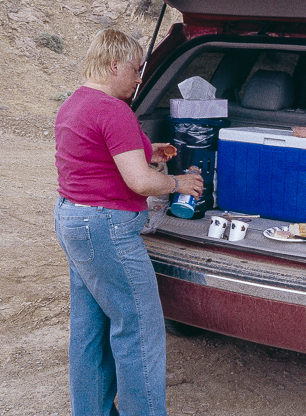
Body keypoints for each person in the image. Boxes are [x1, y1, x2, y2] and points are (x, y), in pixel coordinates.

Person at [53, 28, 203, 416]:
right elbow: (140, 181)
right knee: (139, 330)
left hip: (74, 219)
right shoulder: (113, 109)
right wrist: (177, 182)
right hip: (106, 228)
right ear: (113, 64)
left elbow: (99, 153)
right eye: (136, 70)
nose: (139, 79)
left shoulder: (76, 103)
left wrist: (146, 149)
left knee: (90, 331)